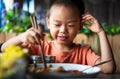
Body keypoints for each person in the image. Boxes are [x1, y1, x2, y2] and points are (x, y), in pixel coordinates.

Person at [1, 0, 115, 73]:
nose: (63, 30)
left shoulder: (83, 52)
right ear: (48, 23)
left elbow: (109, 68)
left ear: (80, 25)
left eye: (70, 25)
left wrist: (101, 32)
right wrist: (21, 37)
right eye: (57, 24)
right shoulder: (39, 46)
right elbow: (4, 49)